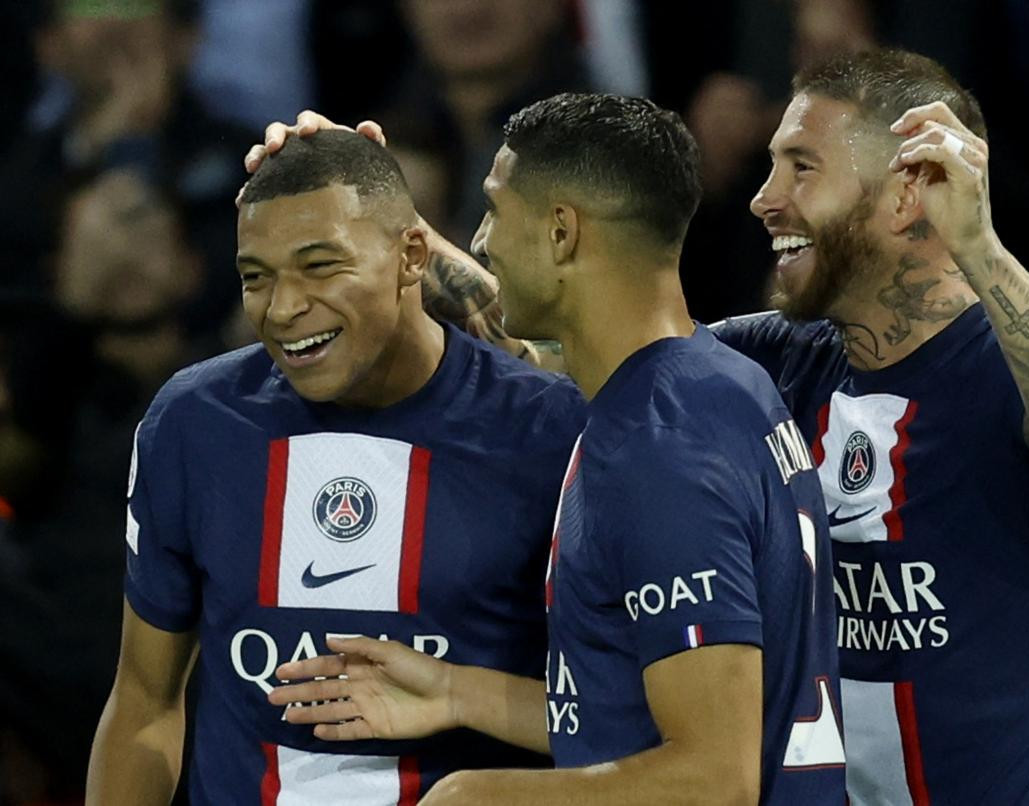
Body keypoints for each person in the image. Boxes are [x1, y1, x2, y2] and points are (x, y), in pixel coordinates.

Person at [268, 93, 844, 804]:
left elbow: (712, 777)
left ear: (562, 233)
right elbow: (631, 720)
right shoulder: (713, 383)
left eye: (496, 211)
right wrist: (455, 691)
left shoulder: (660, 453)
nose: (483, 240)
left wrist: (475, 797)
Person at [85, 130, 586, 804]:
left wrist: (463, 693)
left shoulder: (553, 430)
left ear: (413, 256)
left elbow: (629, 722)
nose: (283, 308)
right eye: (255, 277)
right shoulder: (192, 424)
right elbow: (145, 704)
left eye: (320, 267)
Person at [713, 48, 1029, 803]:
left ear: (908, 190)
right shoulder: (774, 361)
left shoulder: (1019, 365)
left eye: (801, 167)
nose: (765, 198)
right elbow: (576, 356)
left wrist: (978, 245)